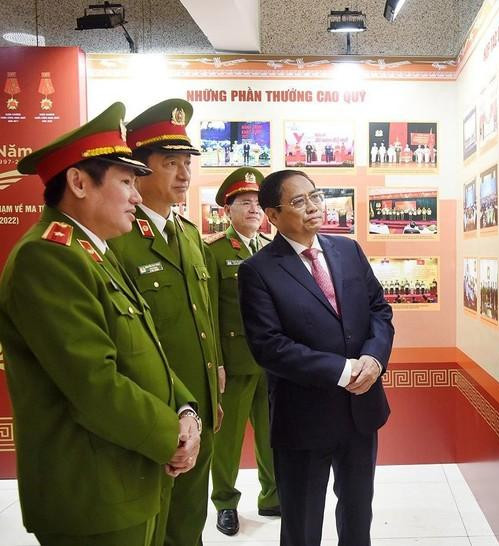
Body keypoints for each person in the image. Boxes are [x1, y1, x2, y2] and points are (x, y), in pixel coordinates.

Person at [0, 102, 201, 545]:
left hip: (129, 476)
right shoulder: (47, 258)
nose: (136, 195)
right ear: (78, 182)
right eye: (127, 181)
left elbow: (146, 350)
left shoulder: (93, 251)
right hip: (93, 492)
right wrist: (172, 435)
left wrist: (185, 409)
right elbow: (94, 383)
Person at [238, 169, 394, 546]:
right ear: (272, 216)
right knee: (303, 525)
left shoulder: (348, 250)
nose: (312, 207)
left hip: (361, 409)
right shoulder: (257, 271)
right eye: (298, 201)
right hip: (303, 417)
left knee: (358, 516)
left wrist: (373, 360)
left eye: (316, 196)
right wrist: (343, 370)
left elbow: (379, 311)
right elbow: (269, 346)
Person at [108, 98, 221, 546]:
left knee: (190, 519)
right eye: (169, 162)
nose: (183, 174)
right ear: (138, 168)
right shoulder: (120, 240)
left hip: (203, 408)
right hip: (158, 411)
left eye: (186, 162)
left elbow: (204, 316)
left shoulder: (189, 235)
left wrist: (217, 376)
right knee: (155, 524)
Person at [204, 168, 279, 537]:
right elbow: (209, 313)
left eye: (256, 203)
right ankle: (225, 503)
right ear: (227, 210)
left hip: (273, 362)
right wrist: (216, 362)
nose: (252, 209)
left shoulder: (270, 248)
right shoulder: (214, 250)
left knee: (271, 435)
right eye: (244, 203)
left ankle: (272, 496)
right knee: (228, 440)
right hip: (234, 364)